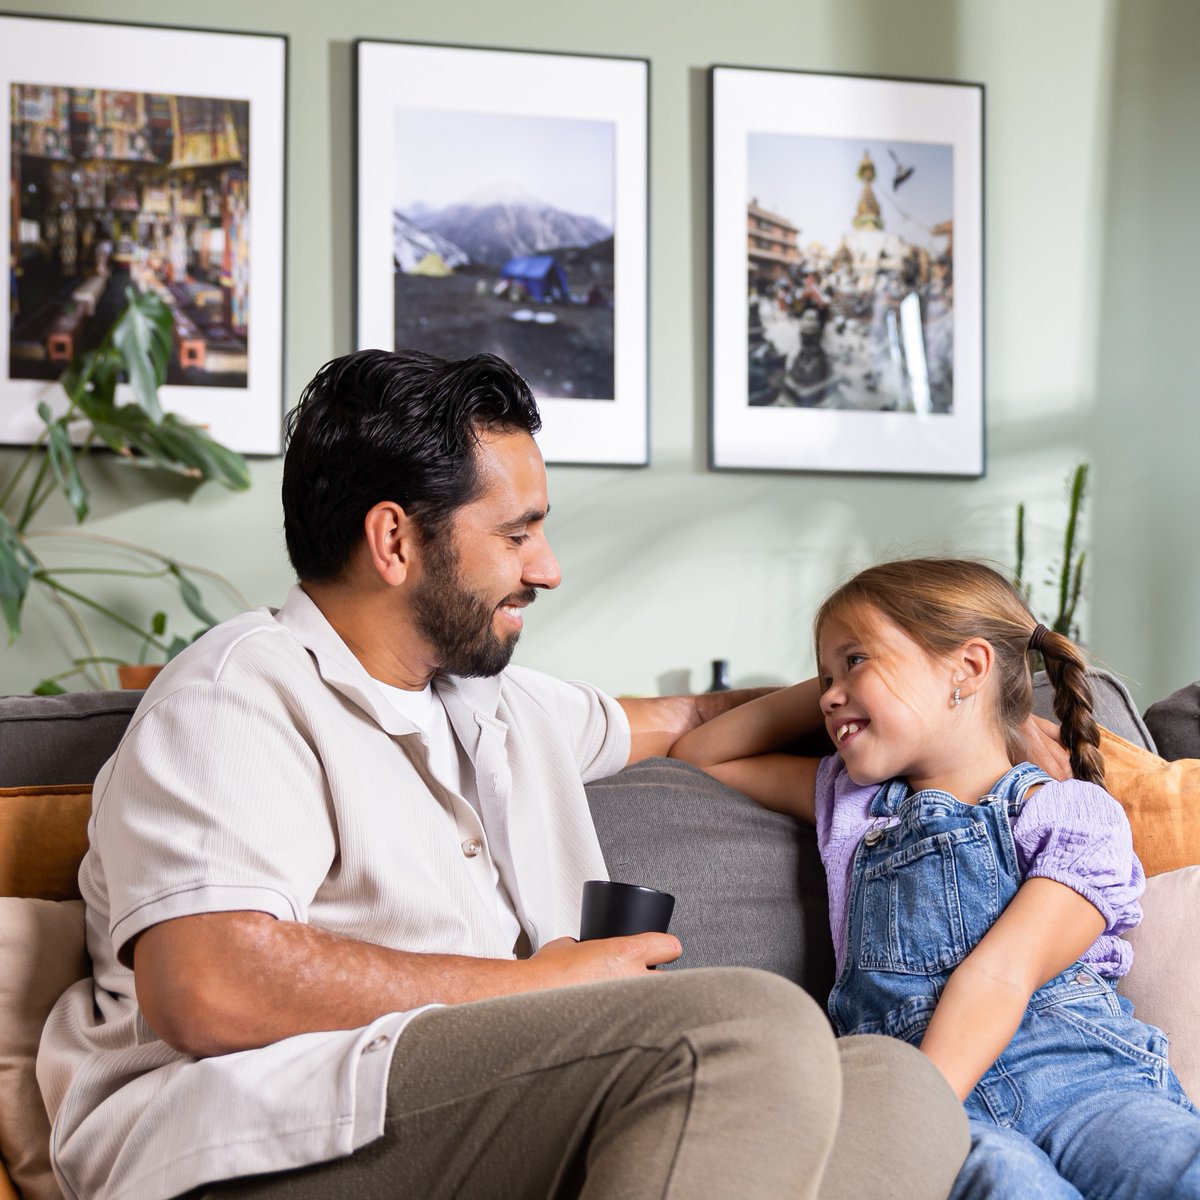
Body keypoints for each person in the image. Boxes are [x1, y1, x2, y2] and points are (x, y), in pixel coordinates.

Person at [38, 351, 968, 1200]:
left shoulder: (500, 706)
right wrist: (538, 987)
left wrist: (962, 716)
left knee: (898, 1088)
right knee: (739, 1026)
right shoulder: (238, 694)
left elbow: (691, 718)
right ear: (395, 541)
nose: (549, 570)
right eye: (517, 535)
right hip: (257, 1137)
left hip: (482, 1115)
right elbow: (207, 984)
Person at [670, 557, 1200, 1198]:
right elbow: (700, 753)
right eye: (823, 676)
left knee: (1171, 1164)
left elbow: (1003, 972)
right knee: (1003, 1179)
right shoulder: (850, 804)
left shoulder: (1071, 814)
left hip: (1082, 1081)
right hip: (923, 1089)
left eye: (857, 660)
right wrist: (841, 687)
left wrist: (913, 1114)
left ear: (969, 668)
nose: (828, 695)